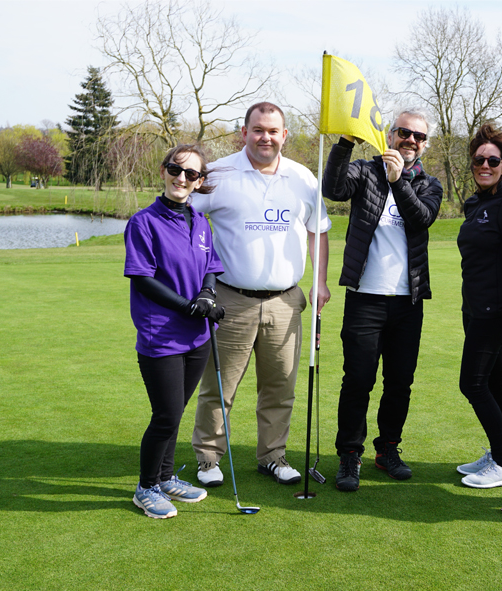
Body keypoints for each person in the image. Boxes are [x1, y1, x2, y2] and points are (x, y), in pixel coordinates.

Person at [191, 102, 331, 487]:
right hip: (231, 298)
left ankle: (272, 456)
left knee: (280, 386)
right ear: (244, 132)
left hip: (286, 301)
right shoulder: (218, 174)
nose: (265, 137)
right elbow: (184, 213)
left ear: (284, 135)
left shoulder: (303, 177)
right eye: (257, 130)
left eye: (273, 130)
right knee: (220, 387)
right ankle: (208, 458)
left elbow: (319, 231)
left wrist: (319, 282)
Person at [322, 108, 442, 491]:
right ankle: (349, 455)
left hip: (408, 301)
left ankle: (387, 448)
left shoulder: (428, 183)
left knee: (399, 382)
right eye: (404, 133)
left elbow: (422, 218)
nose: (411, 140)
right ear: (391, 135)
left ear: (425, 144)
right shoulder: (366, 170)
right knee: (358, 379)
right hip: (365, 298)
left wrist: (399, 180)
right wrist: (344, 143)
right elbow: (333, 189)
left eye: (418, 137)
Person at [124, 144, 225, 519]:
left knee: (176, 412)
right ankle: (145, 487)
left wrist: (208, 294)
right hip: (161, 336)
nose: (181, 178)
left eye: (191, 174)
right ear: (164, 171)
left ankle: (165, 478)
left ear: (200, 182)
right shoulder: (143, 222)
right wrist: (187, 306)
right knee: (165, 415)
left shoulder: (200, 222)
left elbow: (211, 266)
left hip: (196, 337)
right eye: (175, 169)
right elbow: (143, 278)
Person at [455, 124, 502, 489]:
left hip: (495, 310)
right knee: (495, 380)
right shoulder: (475, 204)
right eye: (479, 160)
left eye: (493, 160)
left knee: (472, 383)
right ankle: (500, 453)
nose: (485, 165)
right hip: (474, 307)